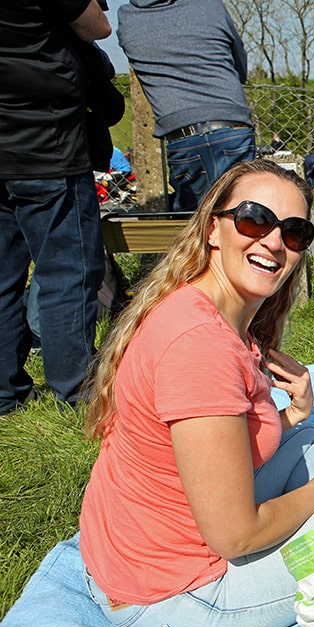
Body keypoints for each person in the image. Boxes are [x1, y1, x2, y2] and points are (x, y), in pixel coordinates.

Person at [78, 159, 314, 627]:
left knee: (311, 436)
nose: (274, 241)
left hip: (132, 556)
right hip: (177, 596)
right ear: (213, 229)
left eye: (294, 232)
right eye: (255, 220)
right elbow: (236, 537)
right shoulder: (199, 348)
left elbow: (222, 444)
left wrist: (293, 414)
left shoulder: (204, 312)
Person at [0, 0, 112, 416]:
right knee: (68, 273)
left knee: (2, 277)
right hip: (45, 143)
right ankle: (76, 394)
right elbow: (97, 25)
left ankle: (5, 394)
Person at [117, 0, 256, 212]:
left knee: (194, 223)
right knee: (241, 215)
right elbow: (240, 66)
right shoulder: (210, 6)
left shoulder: (127, 16)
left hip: (180, 134)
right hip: (229, 121)